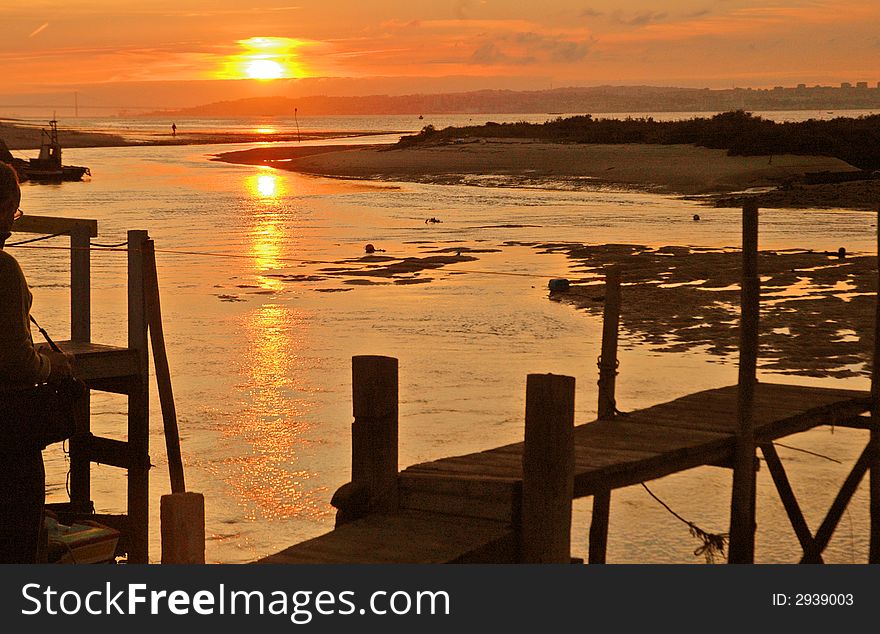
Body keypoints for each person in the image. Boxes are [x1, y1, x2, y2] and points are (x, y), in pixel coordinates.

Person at [0, 162, 73, 563]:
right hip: (8, 434)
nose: (13, 225)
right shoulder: (4, 270)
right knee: (16, 541)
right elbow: (15, 361)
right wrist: (53, 365)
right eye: (13, 212)